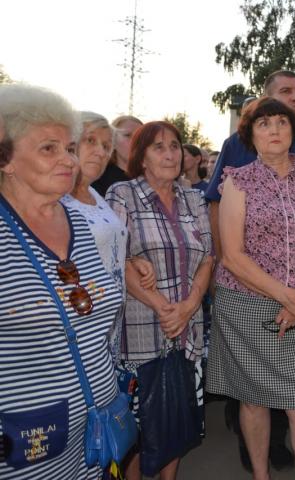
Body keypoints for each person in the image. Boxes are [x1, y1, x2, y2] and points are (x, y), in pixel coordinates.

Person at [205, 69, 295, 470]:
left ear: (293, 130)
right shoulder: (237, 181)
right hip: (247, 304)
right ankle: (261, 474)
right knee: (254, 401)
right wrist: (290, 298)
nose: (274, 130)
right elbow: (232, 256)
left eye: (281, 122)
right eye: (264, 124)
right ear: (250, 135)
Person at [0, 84, 123, 478]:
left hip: (97, 433)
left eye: (69, 148)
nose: (68, 160)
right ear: (6, 159)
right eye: (48, 148)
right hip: (28, 445)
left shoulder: (77, 222)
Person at [106, 121, 214, 480]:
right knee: (138, 430)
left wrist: (188, 306)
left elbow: (208, 258)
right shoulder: (123, 194)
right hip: (140, 331)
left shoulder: (194, 198)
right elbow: (116, 258)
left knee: (176, 422)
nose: (170, 154)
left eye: (174, 146)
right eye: (158, 147)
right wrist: (163, 308)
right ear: (142, 157)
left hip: (187, 330)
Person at [60, 111, 155, 363]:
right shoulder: (56, 199)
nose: (101, 152)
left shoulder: (95, 195)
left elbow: (102, 245)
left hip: (108, 328)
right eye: (90, 141)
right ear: (69, 143)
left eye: (105, 146)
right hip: (76, 328)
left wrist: (130, 260)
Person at [92, 115, 143, 196]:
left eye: (140, 136)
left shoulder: (153, 177)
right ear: (113, 142)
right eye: (128, 135)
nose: (135, 141)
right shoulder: (98, 180)